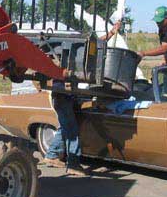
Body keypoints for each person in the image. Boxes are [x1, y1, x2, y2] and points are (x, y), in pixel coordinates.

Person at [43, 22, 122, 176]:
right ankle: (73, 164)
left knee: (65, 127)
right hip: (62, 97)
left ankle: (52, 155)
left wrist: (112, 32)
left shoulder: (69, 54)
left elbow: (99, 44)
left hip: (65, 97)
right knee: (72, 130)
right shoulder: (62, 58)